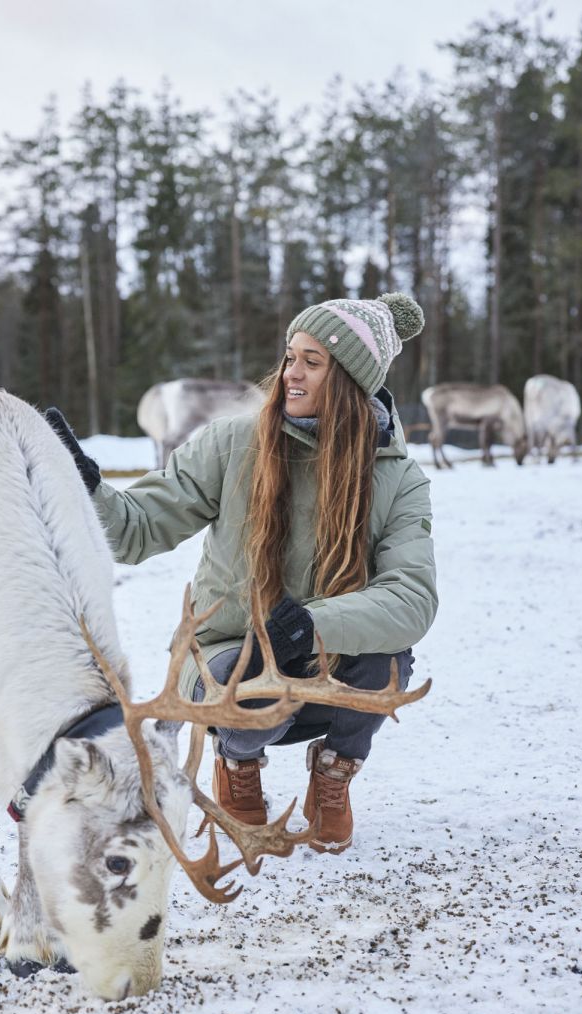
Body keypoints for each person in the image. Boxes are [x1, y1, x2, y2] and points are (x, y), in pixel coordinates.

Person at [46, 293, 437, 855]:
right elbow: (135, 530)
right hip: (231, 654)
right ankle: (239, 764)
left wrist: (309, 624)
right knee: (248, 683)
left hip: (327, 654)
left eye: (311, 361)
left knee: (388, 660)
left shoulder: (397, 478)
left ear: (350, 380)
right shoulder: (233, 443)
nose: (289, 374)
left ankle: (333, 772)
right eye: (289, 356)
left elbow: (411, 599)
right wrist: (84, 489)